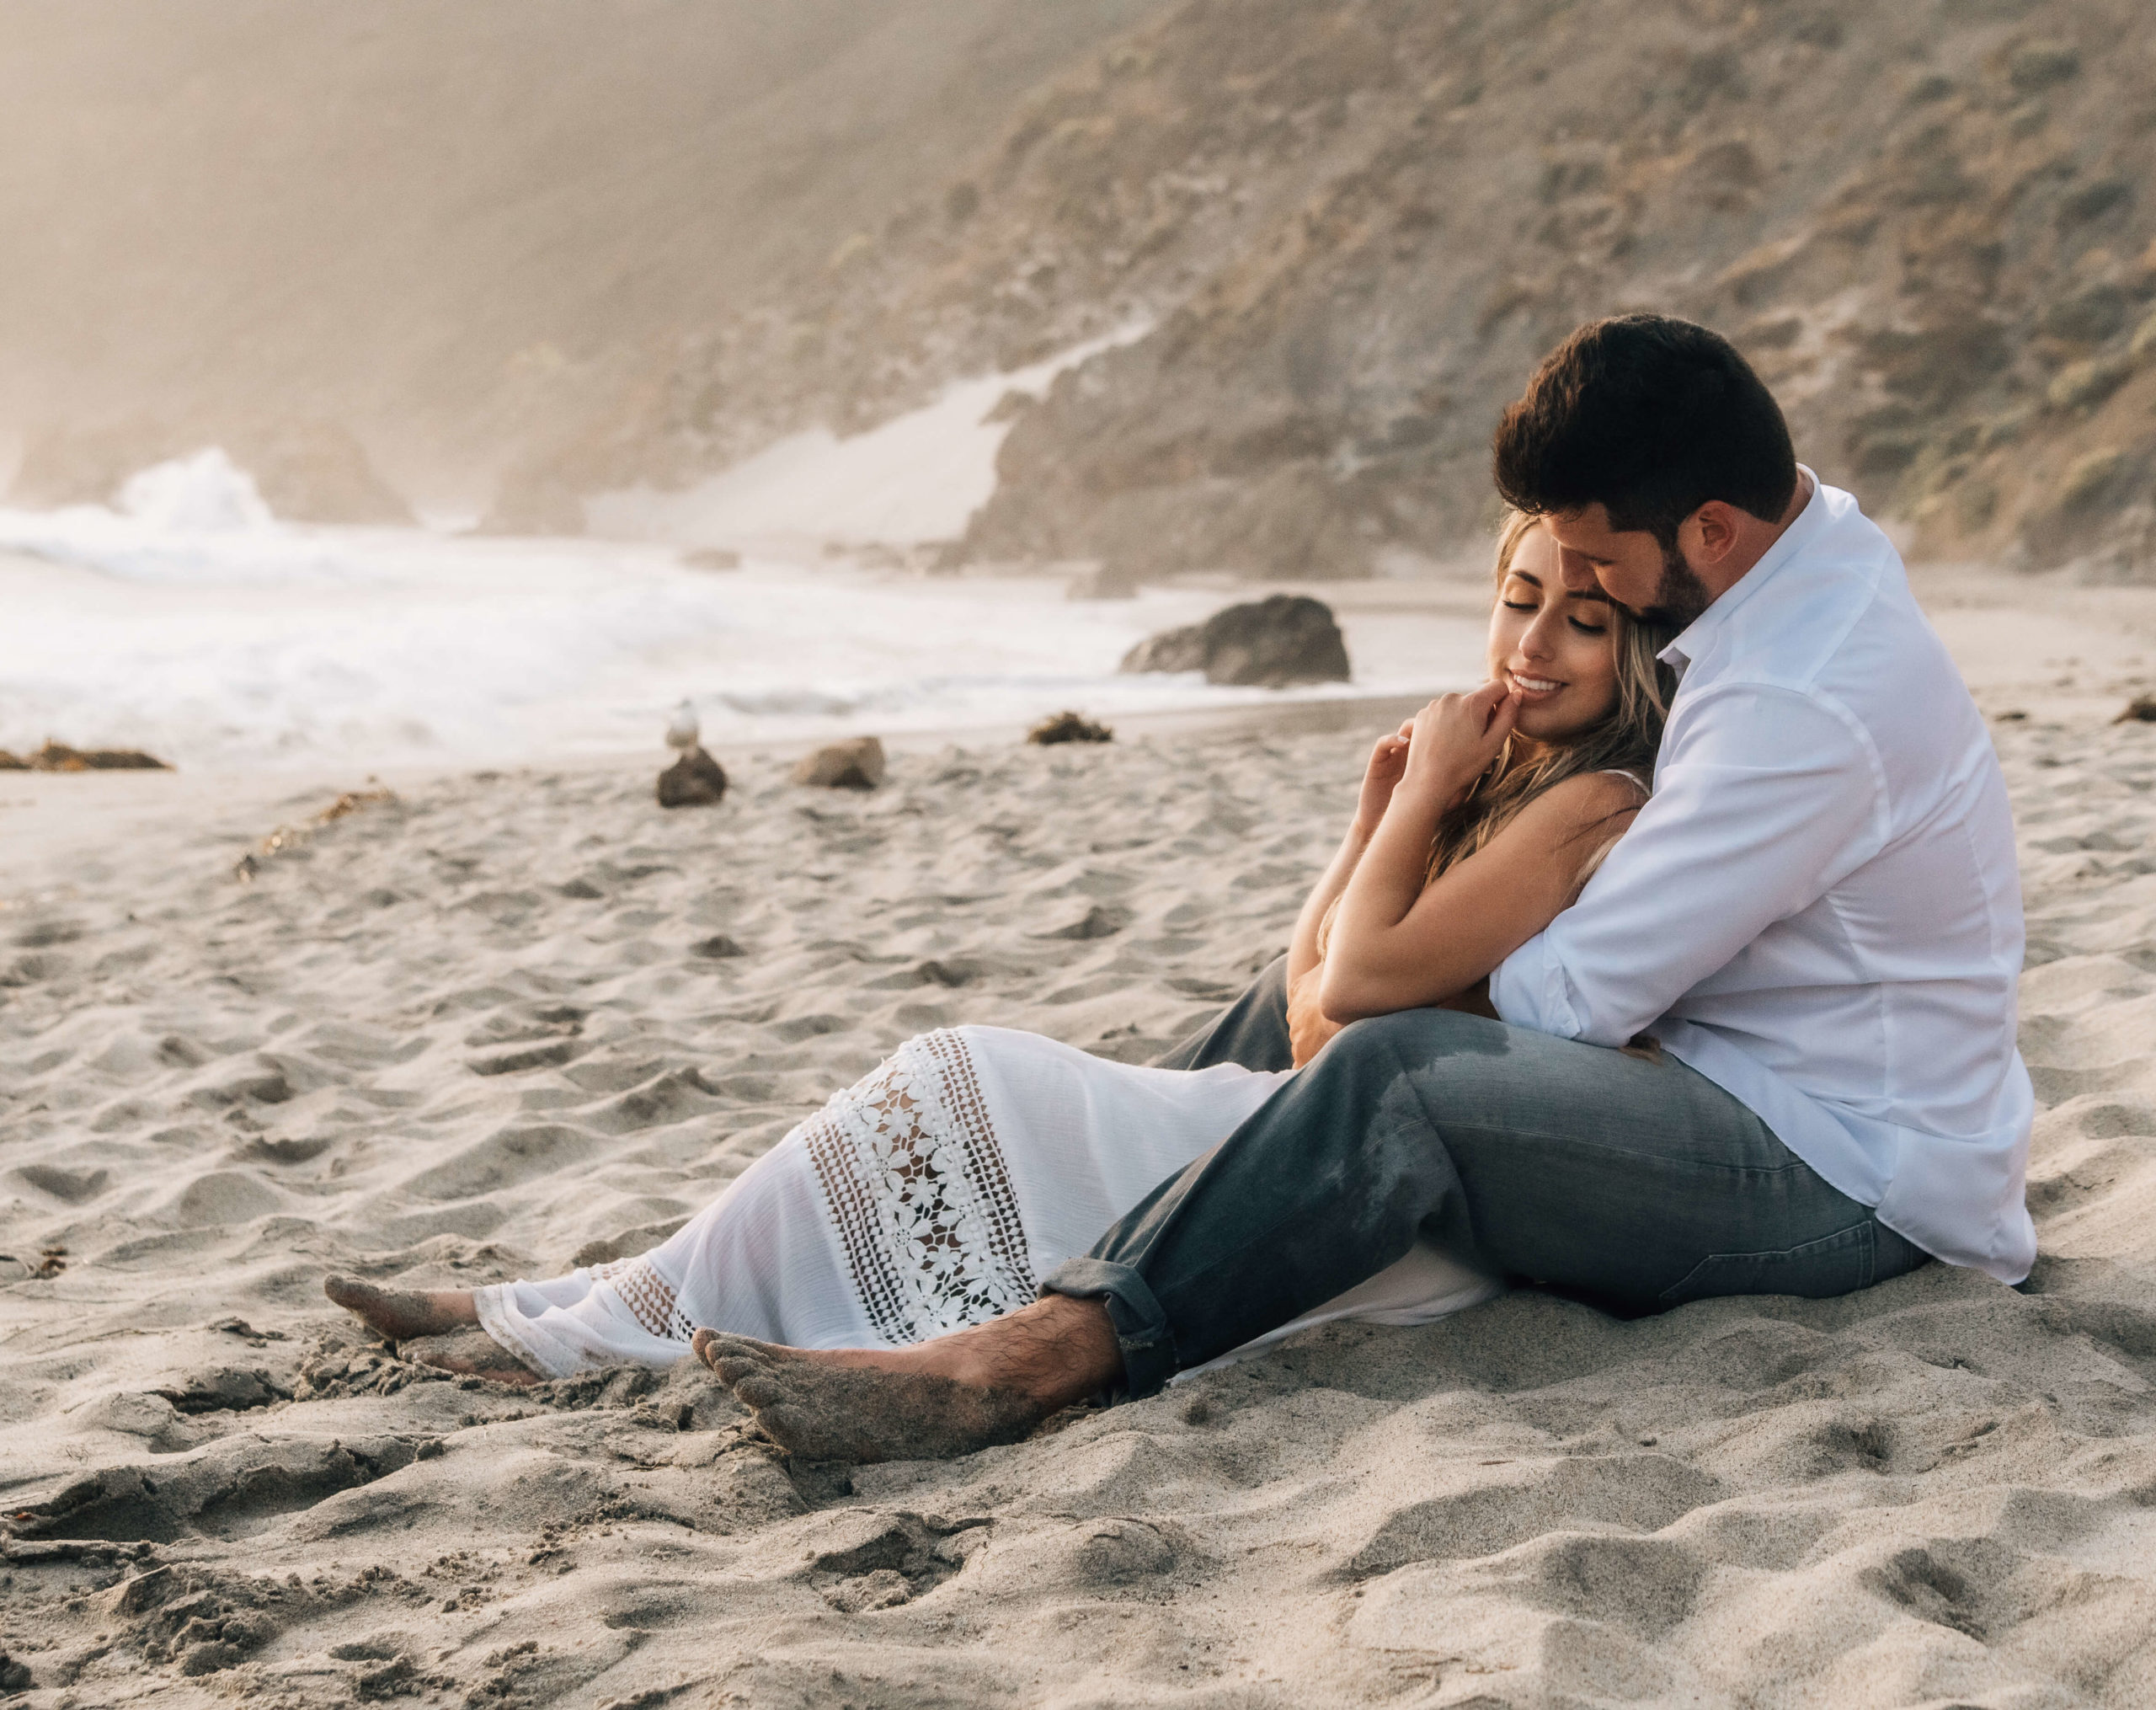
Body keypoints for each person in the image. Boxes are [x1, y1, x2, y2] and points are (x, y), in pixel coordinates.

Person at [691, 313, 2036, 1465]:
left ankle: (1041, 1353)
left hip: (1849, 1182)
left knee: (1397, 1069)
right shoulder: (1805, 545)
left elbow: (1563, 1003)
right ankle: (1037, 1237)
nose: (1596, 592)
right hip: (1741, 1086)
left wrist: (1385, 937)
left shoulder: (1804, 702)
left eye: (1606, 569)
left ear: (1713, 527)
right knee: (1284, 1016)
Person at [323, 510, 1669, 1398]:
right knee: (945, 1087)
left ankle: (574, 1333)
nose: (1533, 642)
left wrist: (1422, 795)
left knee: (961, 1070)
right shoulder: (1516, 775)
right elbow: (1306, 972)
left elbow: (1347, 1005)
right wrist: (1376, 814)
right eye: (1517, 600)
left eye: (1583, 619)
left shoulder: (1587, 801)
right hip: (1317, 1121)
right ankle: (564, 1305)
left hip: (1376, 1195)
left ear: (1638, 651)